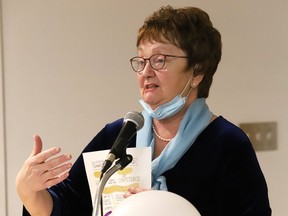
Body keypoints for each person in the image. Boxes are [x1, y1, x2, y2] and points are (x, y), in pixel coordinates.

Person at [16, 5, 272, 216]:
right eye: (141, 60)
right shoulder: (119, 135)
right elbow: (69, 207)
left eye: (160, 60)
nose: (146, 72)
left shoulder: (227, 144)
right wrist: (29, 191)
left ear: (197, 71)